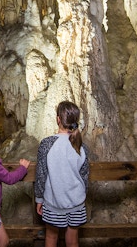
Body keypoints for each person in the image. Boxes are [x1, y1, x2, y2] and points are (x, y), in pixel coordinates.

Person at [35, 101, 90, 247]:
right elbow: (84, 177)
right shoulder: (81, 146)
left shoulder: (47, 144)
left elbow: (41, 175)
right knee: (73, 241)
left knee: (51, 238)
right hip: (76, 203)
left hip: (54, 202)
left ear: (58, 119)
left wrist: (39, 199)